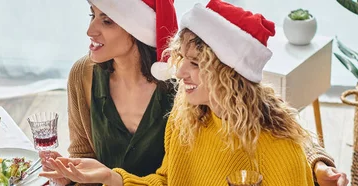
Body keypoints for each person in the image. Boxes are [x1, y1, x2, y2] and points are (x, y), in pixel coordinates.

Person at [41, 0, 348, 185]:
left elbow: (278, 125)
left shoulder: (180, 90)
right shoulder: (186, 116)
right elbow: (165, 180)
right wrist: (99, 176)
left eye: (107, 19)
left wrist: (317, 164)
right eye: (91, 14)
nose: (180, 70)